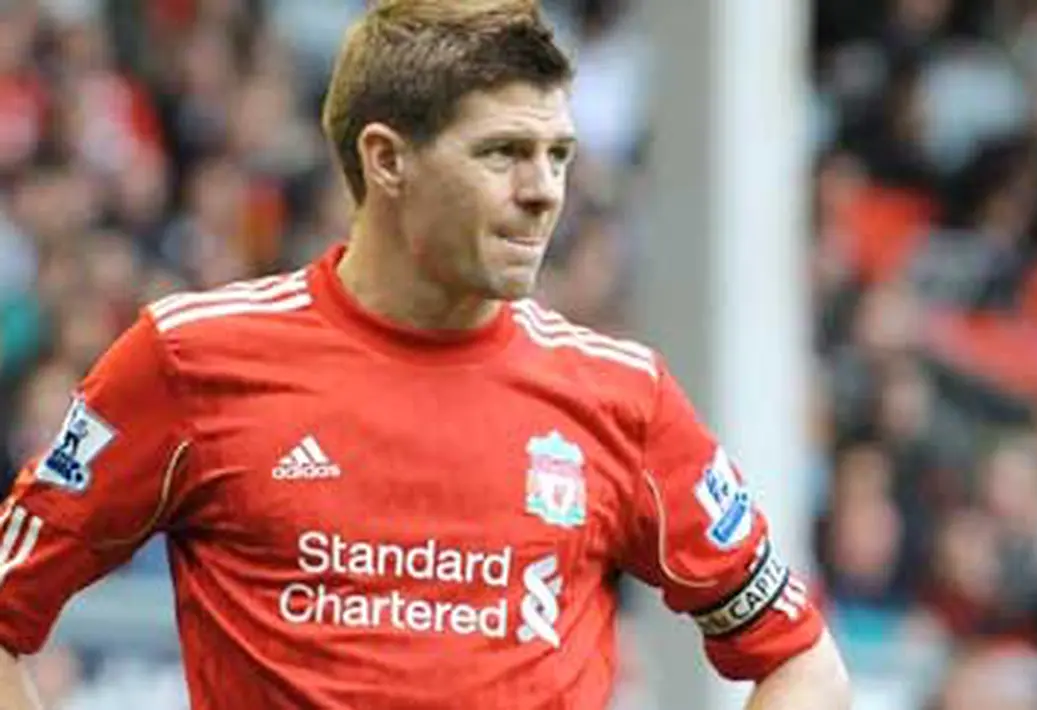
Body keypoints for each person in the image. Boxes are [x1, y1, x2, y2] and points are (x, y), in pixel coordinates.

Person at [0, 1, 851, 707]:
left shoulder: (620, 396)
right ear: (386, 160)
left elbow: (799, 657)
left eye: (557, 155)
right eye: (502, 153)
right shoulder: (190, 359)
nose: (544, 191)